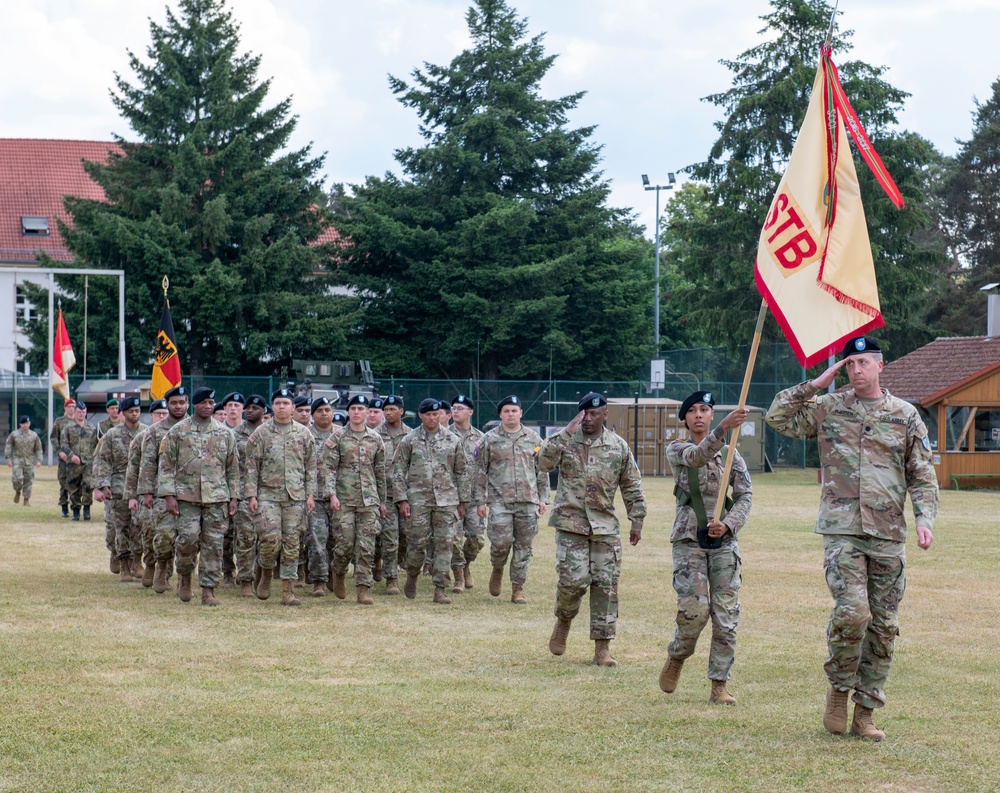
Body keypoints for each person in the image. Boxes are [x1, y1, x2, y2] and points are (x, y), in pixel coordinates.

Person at [765, 336, 939, 742]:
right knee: (853, 613)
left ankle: (865, 711)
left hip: (888, 533)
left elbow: (922, 473)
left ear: (881, 365)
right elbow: (777, 416)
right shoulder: (829, 408)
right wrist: (815, 383)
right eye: (849, 364)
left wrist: (925, 518)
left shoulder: (905, 415)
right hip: (842, 529)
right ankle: (838, 691)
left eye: (863, 362)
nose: (856, 370)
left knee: (883, 626)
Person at [538, 392, 646, 667]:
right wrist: (565, 433)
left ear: (605, 414)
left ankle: (602, 648)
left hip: (605, 527)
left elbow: (631, 484)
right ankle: (563, 621)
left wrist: (637, 519)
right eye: (584, 413)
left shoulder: (618, 446)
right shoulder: (565, 441)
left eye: (594, 414)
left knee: (606, 587)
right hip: (570, 523)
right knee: (572, 582)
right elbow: (541, 463)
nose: (589, 418)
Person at [659, 391, 752, 705]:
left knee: (726, 617)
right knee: (695, 612)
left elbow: (745, 496)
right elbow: (696, 457)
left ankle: (719, 684)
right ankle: (678, 655)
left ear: (710, 414)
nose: (699, 415)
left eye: (705, 410)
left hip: (724, 544)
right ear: (685, 419)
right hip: (689, 542)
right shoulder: (677, 448)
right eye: (693, 411)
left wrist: (728, 524)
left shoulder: (731, 455)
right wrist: (723, 428)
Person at [157, 388, 239, 605]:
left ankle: (208, 590)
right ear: (193, 404)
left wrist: (234, 497)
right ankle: (184, 578)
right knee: (188, 540)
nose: (208, 406)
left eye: (211, 402)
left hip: (217, 498)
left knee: (214, 544)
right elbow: (166, 466)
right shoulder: (177, 431)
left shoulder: (224, 433)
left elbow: (233, 468)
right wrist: (168, 495)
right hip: (186, 498)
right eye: (203, 402)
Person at [393, 398, 470, 604]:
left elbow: (462, 471)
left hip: (446, 501)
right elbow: (398, 470)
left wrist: (463, 501)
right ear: (420, 415)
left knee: (444, 544)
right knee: (417, 543)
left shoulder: (453, 440)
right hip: (418, 500)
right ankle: (412, 575)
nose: (432, 418)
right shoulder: (409, 440)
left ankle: (440, 588)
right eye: (428, 414)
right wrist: (401, 499)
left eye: (436, 414)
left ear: (441, 415)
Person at [244, 387, 317, 606]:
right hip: (267, 495)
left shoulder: (304, 434)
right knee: (269, 540)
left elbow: (311, 467)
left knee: (292, 542)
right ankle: (266, 573)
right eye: (278, 403)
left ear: (293, 408)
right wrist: (251, 495)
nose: (282, 407)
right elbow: (251, 467)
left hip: (295, 496)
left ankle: (288, 590)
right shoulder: (261, 434)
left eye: (286, 403)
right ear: (272, 407)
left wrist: (310, 494)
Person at [474, 394, 548, 603]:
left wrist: (543, 498)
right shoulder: (489, 439)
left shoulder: (534, 439)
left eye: (514, 411)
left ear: (521, 413)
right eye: (506, 411)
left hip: (528, 501)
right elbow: (480, 471)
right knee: (500, 542)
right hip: (499, 502)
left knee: (524, 547)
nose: (510, 414)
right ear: (500, 414)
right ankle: (498, 566)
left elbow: (541, 470)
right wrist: (480, 501)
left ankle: (518, 588)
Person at [322, 394, 387, 605]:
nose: (357, 412)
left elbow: (380, 472)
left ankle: (363, 588)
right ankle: (338, 572)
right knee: (345, 545)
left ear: (368, 412)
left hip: (369, 501)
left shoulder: (375, 439)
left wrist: (382, 500)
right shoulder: (337, 438)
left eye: (361, 409)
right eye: (353, 409)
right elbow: (328, 468)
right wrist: (331, 494)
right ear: (348, 412)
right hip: (344, 500)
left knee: (367, 547)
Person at [139, 385, 189, 594]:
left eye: (182, 402)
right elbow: (148, 463)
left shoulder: (196, 427)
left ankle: (183, 579)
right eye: (173, 403)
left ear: (187, 403)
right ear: (167, 405)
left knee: (188, 538)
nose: (178, 406)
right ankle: (161, 568)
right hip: (163, 492)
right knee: (165, 536)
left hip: (192, 492)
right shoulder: (154, 431)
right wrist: (146, 492)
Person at [93, 396, 146, 582]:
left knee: (139, 526)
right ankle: (123, 564)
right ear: (123, 413)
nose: (135, 414)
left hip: (140, 487)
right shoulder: (112, 435)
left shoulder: (146, 433)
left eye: (137, 411)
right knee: (120, 527)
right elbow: (102, 461)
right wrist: (102, 486)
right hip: (118, 488)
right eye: (131, 411)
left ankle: (137, 561)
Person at [447, 394, 488, 593]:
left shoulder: (481, 439)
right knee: (453, 539)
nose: (455, 411)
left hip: (473, 497)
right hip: (450, 498)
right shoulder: (444, 435)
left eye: (460, 408)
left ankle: (466, 564)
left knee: (476, 539)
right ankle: (458, 576)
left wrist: (482, 499)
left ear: (470, 412)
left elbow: (484, 469)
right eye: (453, 408)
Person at [126, 399, 168, 586]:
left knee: (171, 535)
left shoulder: (181, 433)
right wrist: (132, 496)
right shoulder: (142, 437)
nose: (162, 416)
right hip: (150, 494)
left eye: (164, 413)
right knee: (150, 532)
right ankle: (150, 564)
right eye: (158, 413)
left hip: (174, 494)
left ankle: (164, 573)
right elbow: (133, 468)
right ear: (151, 415)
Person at [374, 394, 409, 594]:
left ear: (401, 411)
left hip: (407, 494)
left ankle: (397, 562)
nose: (388, 413)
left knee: (407, 535)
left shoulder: (411, 435)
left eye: (392, 409)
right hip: (385, 493)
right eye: (385, 410)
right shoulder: (375, 435)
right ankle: (391, 578)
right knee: (389, 537)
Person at [306, 396, 341, 597]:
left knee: (338, 541)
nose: (324, 413)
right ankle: (318, 580)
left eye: (327, 410)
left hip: (340, 496)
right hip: (315, 496)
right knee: (317, 540)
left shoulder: (342, 434)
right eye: (320, 411)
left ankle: (335, 575)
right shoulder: (305, 434)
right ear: (313, 415)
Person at [233, 394, 266, 597]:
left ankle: (262, 575)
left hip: (269, 491)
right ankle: (246, 580)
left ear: (264, 411)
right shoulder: (235, 434)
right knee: (245, 537)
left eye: (256, 407)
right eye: (248, 407)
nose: (251, 410)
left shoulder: (270, 433)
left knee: (267, 538)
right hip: (244, 491)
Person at [217, 392, 245, 588]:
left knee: (245, 535)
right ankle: (227, 571)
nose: (233, 408)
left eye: (237, 405)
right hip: (222, 491)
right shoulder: (217, 432)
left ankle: (246, 574)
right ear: (224, 409)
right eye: (230, 405)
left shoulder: (253, 432)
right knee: (225, 535)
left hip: (246, 491)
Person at [60, 401, 98, 521]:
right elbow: (64, 444)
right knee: (74, 486)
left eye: (83, 412)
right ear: (75, 412)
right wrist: (71, 456)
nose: (81, 414)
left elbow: (96, 445)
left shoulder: (92, 428)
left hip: (88, 462)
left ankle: (86, 509)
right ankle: (76, 510)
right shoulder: (68, 428)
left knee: (87, 485)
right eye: (79, 412)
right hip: (73, 463)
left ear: (86, 412)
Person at [5, 416, 42, 506]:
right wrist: (8, 459)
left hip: (30, 461)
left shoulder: (34, 435)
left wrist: (39, 460)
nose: (26, 425)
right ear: (20, 424)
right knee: (17, 479)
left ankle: (26, 499)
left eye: (28, 423)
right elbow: (8, 446)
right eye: (24, 423)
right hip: (18, 460)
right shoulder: (14, 434)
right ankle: (17, 491)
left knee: (28, 480)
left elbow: (38, 449)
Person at [51, 398, 77, 517]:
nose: (72, 409)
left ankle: (76, 506)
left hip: (76, 457)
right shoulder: (59, 421)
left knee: (76, 482)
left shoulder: (79, 421)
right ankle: (64, 506)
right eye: (69, 406)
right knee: (64, 481)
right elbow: (54, 438)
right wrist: (59, 452)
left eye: (73, 406)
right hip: (64, 458)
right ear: (65, 408)